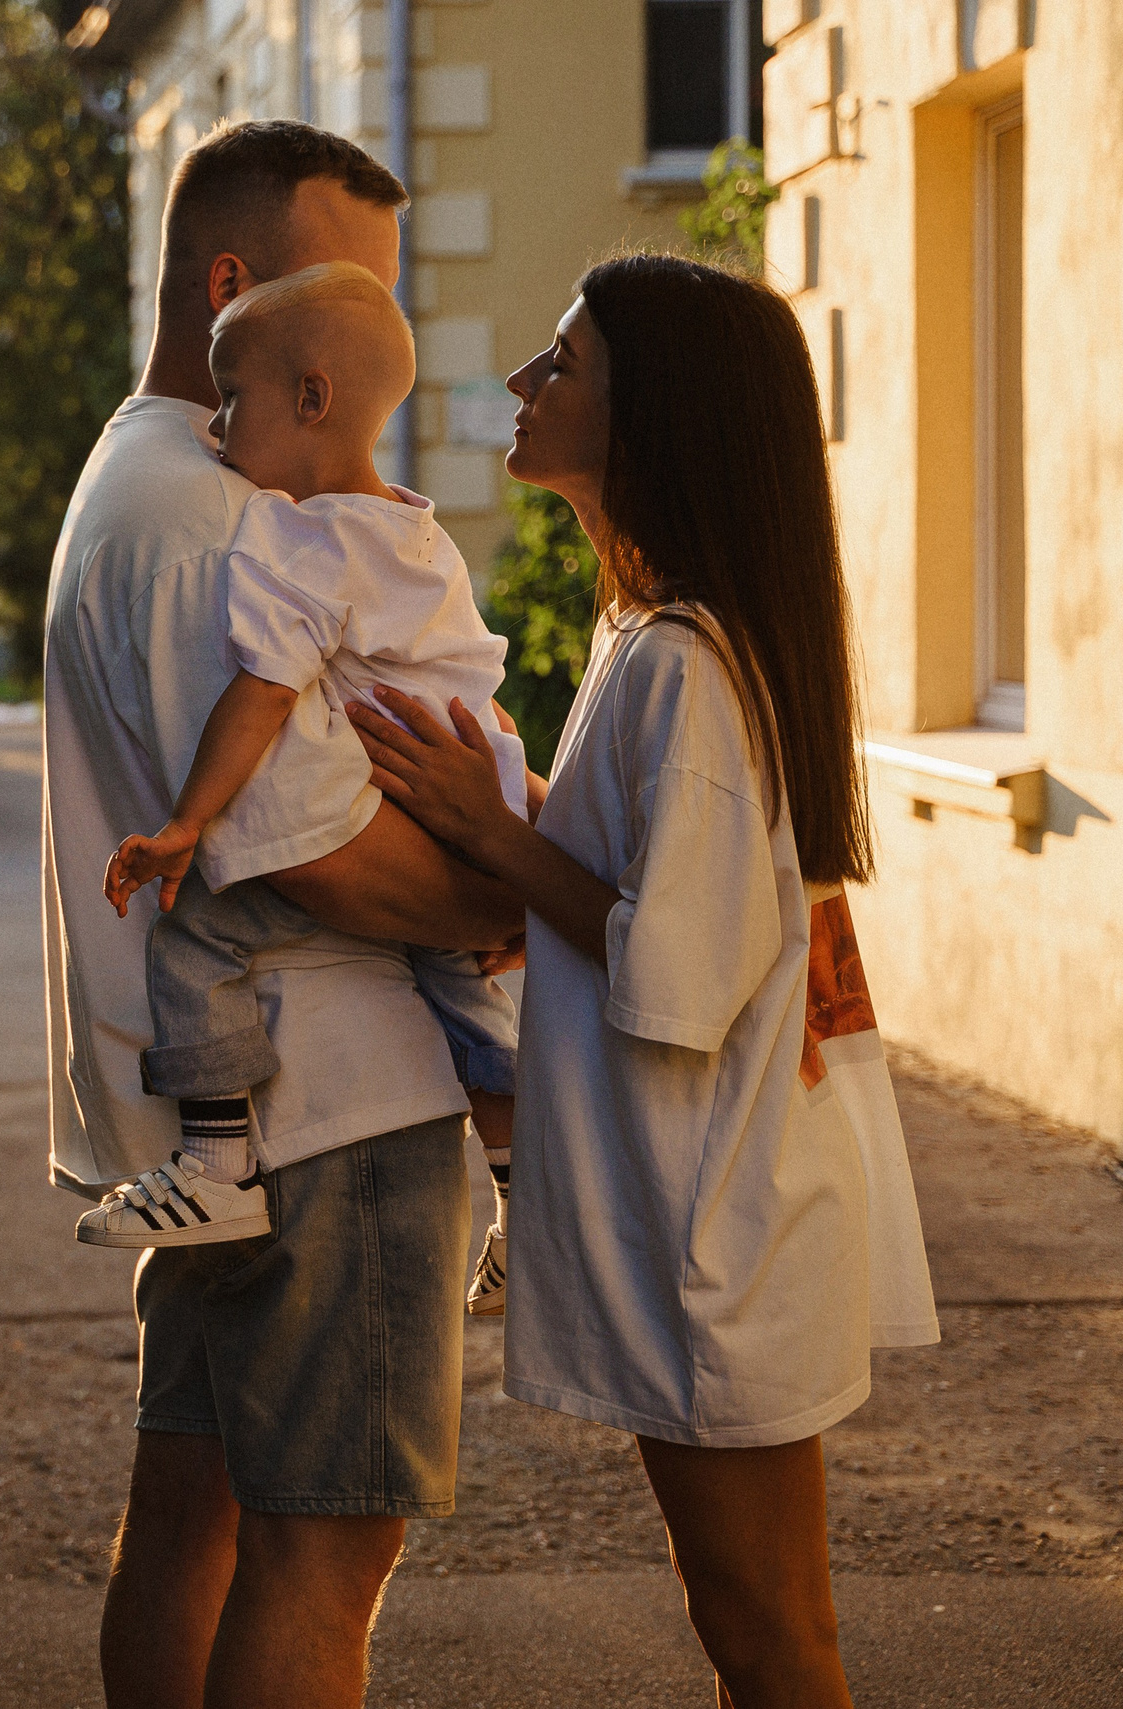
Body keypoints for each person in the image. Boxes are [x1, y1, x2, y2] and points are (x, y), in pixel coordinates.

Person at [348, 253, 940, 1707]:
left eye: (566, 363)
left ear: (654, 413)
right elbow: (665, 881)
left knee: (767, 1633)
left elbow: (672, 964)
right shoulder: (655, 634)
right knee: (756, 1624)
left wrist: (495, 834)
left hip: (711, 1232)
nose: (524, 384)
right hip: (714, 1213)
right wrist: (519, 828)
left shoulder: (684, 662)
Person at [41, 119, 520, 1709]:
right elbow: (314, 844)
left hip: (244, 1115)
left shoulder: (155, 481)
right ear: (241, 292)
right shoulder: (208, 516)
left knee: (195, 1520)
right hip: (330, 1116)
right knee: (325, 1556)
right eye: (348, 306)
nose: (368, 372)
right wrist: (513, 891)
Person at [81, 260, 528, 1325]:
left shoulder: (300, 537)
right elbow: (478, 687)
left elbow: (260, 696)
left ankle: (217, 1166)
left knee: (195, 932)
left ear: (312, 399)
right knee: (468, 994)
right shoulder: (420, 534)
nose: (213, 428)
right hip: (476, 809)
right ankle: (525, 1199)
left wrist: (188, 821)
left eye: (232, 399)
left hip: (404, 811)